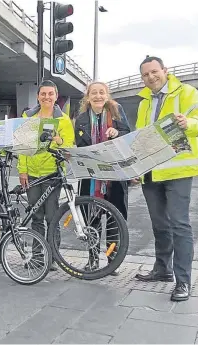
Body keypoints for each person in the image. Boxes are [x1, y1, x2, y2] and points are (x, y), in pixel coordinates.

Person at [133, 56, 198, 302]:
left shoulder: (186, 92)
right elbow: (140, 137)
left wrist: (189, 123)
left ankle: (183, 281)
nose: (150, 77)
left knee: (179, 224)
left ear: (165, 71)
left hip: (177, 170)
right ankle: (162, 269)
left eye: (154, 72)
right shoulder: (144, 101)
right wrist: (136, 167)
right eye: (145, 75)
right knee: (159, 224)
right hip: (151, 171)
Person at [17, 80, 74, 270]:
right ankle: (38, 256)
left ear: (56, 96)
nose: (47, 97)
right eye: (43, 94)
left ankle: (53, 256)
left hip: (52, 174)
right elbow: (22, 146)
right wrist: (22, 170)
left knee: (52, 217)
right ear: (38, 96)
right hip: (32, 174)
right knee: (36, 216)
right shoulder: (28, 116)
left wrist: (58, 141)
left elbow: (68, 148)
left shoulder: (64, 120)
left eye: (51, 94)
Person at [75, 81, 131, 275]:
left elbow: (128, 135)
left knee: (115, 219)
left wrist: (117, 133)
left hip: (114, 177)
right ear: (88, 97)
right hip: (90, 178)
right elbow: (78, 146)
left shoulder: (117, 113)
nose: (98, 96)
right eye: (94, 93)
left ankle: (111, 260)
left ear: (107, 95)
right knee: (92, 219)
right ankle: (92, 259)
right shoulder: (81, 119)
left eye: (102, 93)